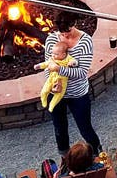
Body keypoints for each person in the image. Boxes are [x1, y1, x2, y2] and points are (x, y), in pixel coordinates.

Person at [43, 11, 102, 155]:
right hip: (56, 93)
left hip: (78, 94)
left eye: (67, 32)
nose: (65, 36)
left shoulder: (85, 41)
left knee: (85, 128)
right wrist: (52, 84)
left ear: (74, 23)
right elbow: (48, 66)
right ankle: (64, 157)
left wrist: (59, 69)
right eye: (62, 33)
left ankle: (97, 153)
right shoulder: (51, 40)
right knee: (59, 129)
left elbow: (82, 73)